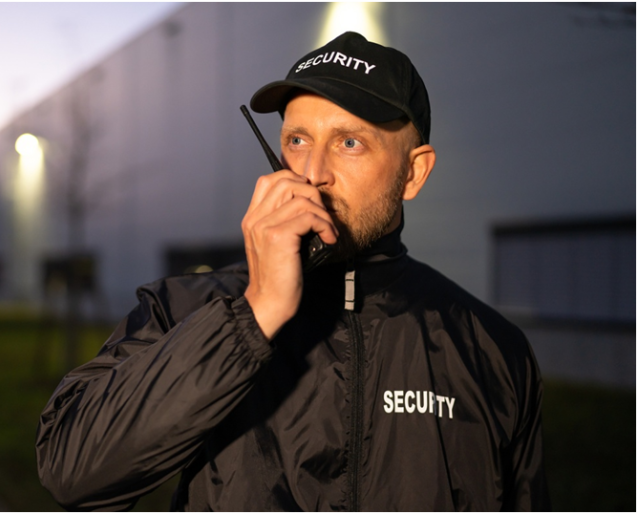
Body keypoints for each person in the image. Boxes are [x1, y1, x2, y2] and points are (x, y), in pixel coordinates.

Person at [36, 32, 550, 512]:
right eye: (298, 141)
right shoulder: (186, 310)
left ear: (413, 172)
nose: (312, 172)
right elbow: (71, 470)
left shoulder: (491, 349)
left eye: (350, 143)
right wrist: (253, 314)